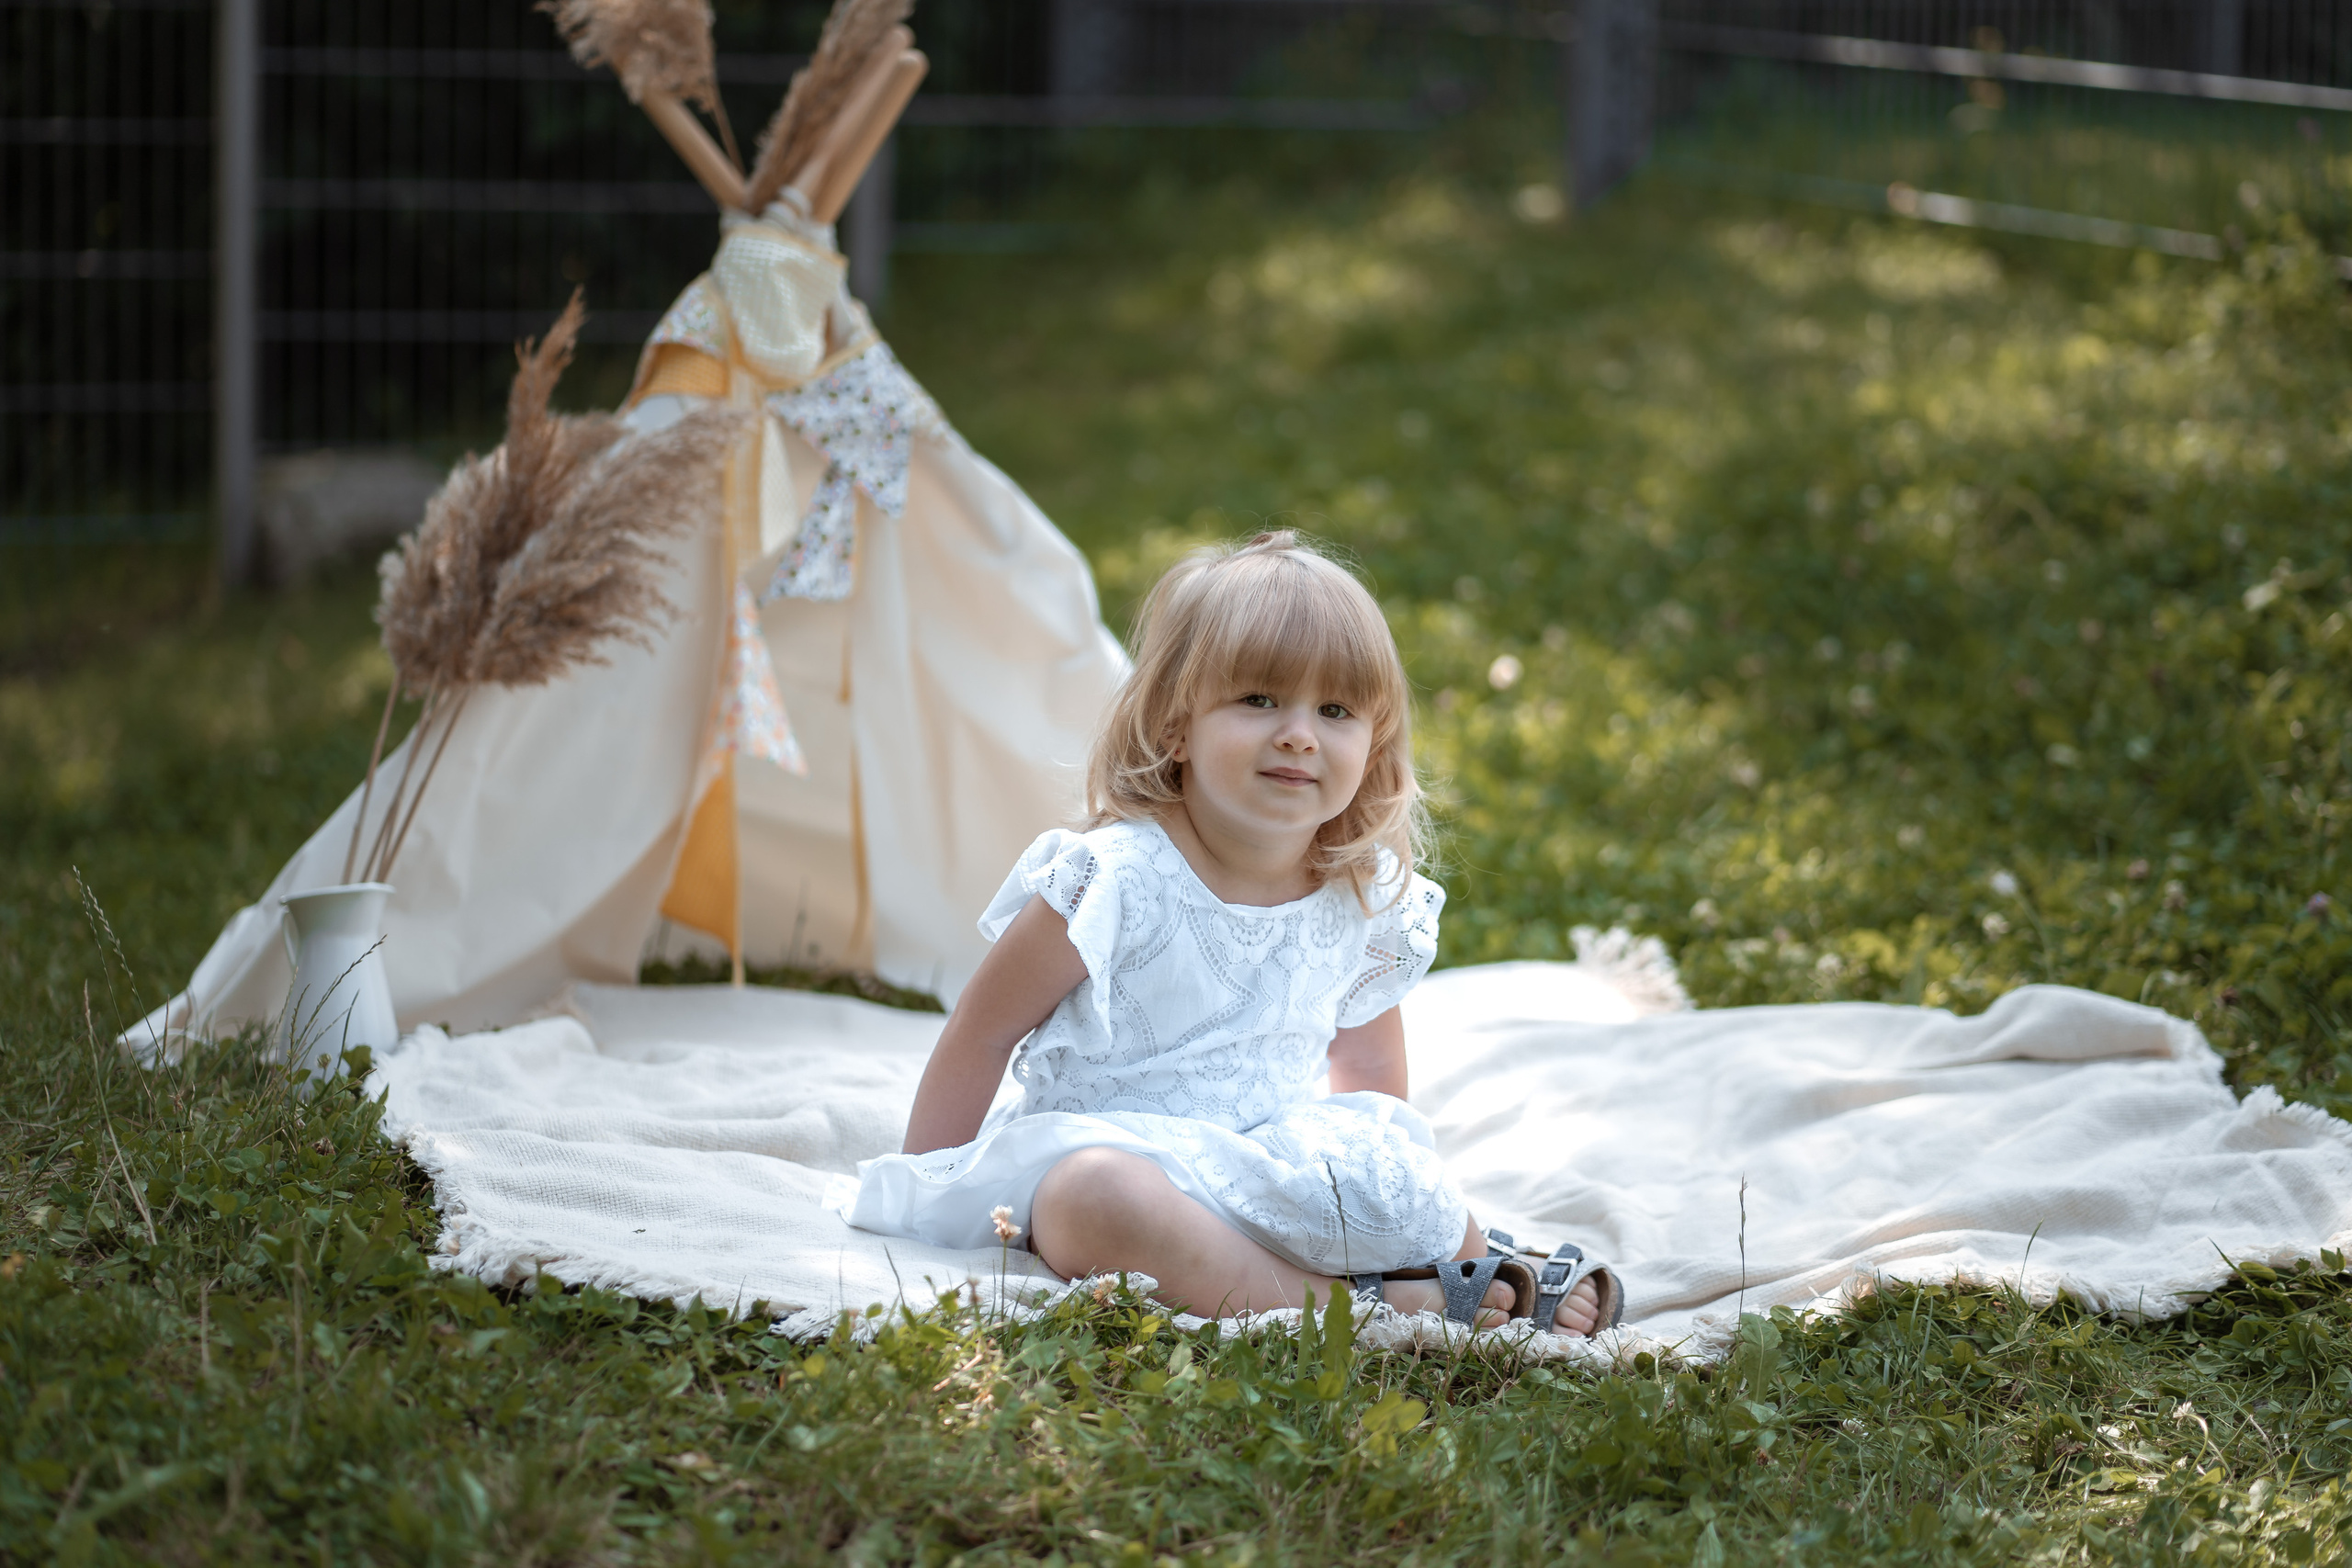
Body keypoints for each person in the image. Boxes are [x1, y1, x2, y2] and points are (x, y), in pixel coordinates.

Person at [843, 533, 1623, 1333]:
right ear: (1177, 726)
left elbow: (1368, 1075)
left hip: (1274, 1166)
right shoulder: (1115, 881)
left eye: (1335, 711)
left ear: (1373, 742)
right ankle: (1361, 1305)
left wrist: (1386, 1192)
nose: (1298, 734)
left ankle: (1461, 1262)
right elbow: (983, 1028)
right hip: (1134, 1164)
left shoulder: (1356, 895)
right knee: (1090, 1199)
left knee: (1391, 1160)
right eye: (1258, 700)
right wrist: (924, 1186)